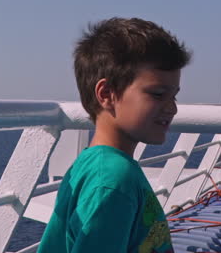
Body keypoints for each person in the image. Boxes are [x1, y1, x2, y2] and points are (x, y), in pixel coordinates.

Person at [37, 17, 191, 253]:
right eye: (159, 94)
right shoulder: (113, 181)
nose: (172, 108)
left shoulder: (98, 164)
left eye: (174, 96)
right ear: (107, 93)